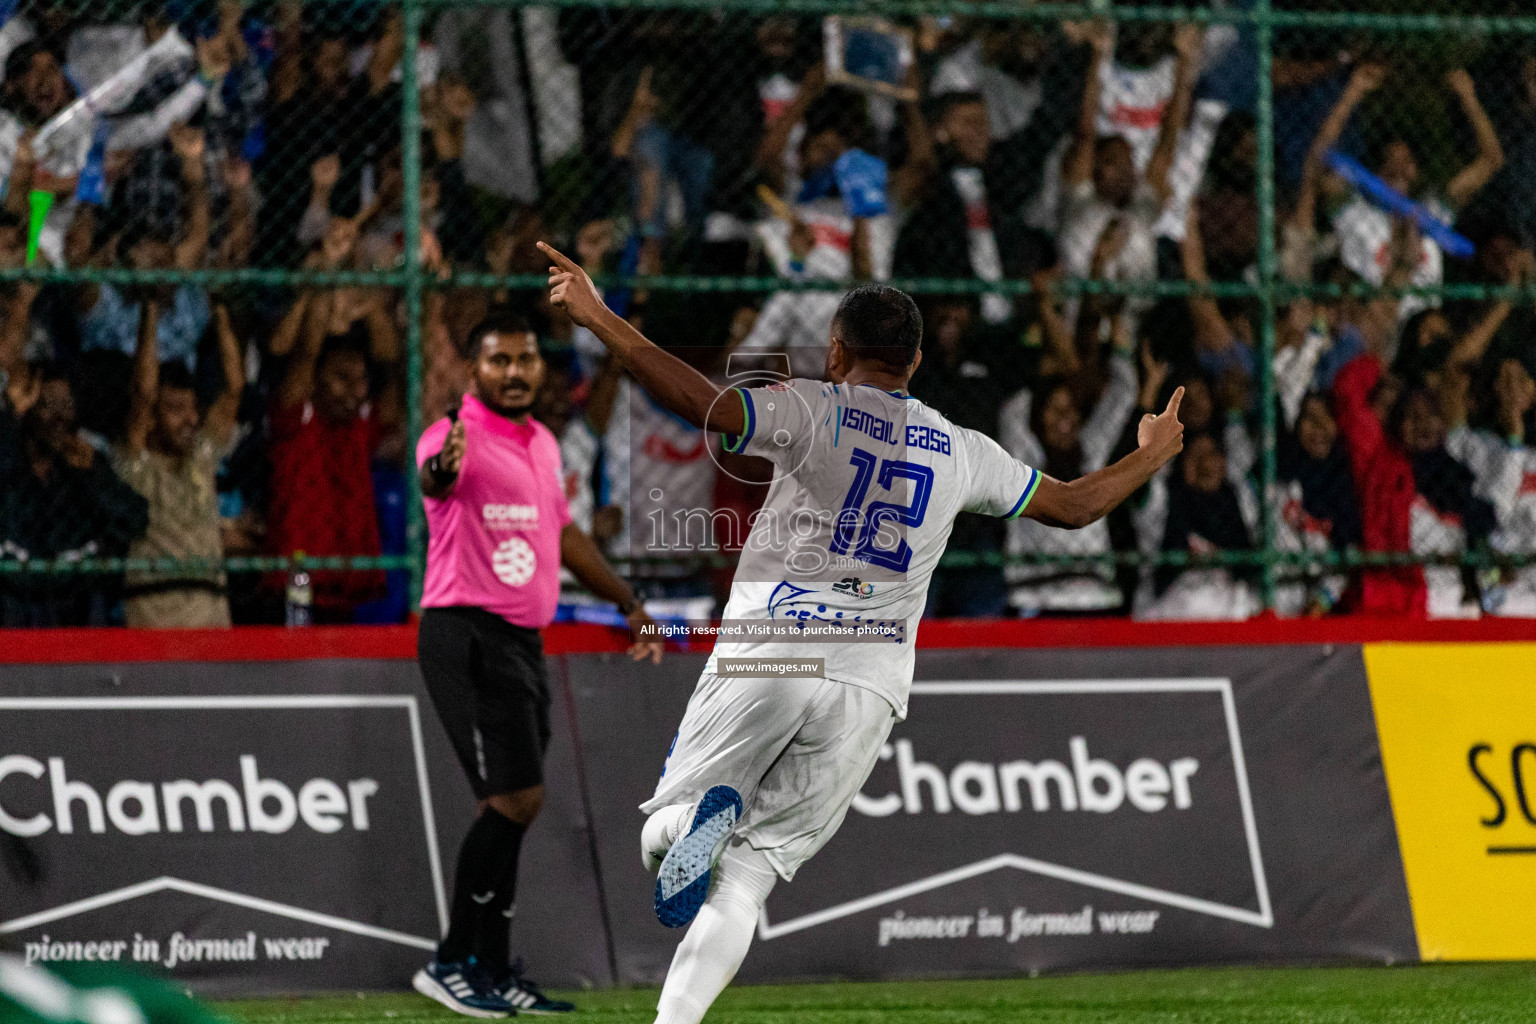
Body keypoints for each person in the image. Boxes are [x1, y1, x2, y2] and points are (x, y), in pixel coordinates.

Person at [540, 240, 1185, 1024]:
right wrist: (1149, 455)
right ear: (914, 362)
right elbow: (1079, 505)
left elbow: (701, 403)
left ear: (837, 350)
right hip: (870, 684)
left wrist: (599, 315)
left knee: (660, 838)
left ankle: (690, 817)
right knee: (746, 878)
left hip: (770, 651)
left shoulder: (808, 404)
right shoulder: (962, 449)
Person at [410, 309, 664, 1018]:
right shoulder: (451, 433)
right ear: (474, 371)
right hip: (466, 635)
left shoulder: (544, 443)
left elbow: (563, 533)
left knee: (517, 805)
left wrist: (627, 599)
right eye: (499, 362)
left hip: (522, 642)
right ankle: (453, 962)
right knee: (514, 801)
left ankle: (490, 967)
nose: (515, 373)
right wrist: (441, 471)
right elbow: (434, 478)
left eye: (525, 360)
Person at [113, 296, 244, 627]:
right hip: (154, 620)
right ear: (153, 419)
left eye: (192, 408)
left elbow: (234, 388)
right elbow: (143, 394)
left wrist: (220, 309)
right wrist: (151, 306)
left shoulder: (201, 458)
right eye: (174, 409)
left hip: (210, 619)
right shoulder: (134, 464)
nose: (190, 420)